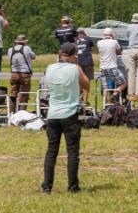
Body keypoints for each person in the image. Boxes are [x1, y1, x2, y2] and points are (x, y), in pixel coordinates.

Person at [41, 42, 90, 195]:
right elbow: (86, 84)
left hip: (53, 114)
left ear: (60, 53)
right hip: (69, 113)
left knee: (51, 151)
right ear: (74, 55)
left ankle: (47, 187)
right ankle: (72, 187)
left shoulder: (50, 68)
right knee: (72, 152)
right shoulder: (75, 68)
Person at [8, 35, 36, 113]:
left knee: (13, 95)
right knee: (24, 95)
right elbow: (34, 57)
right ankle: (22, 113)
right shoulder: (27, 48)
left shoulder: (10, 49)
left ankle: (12, 113)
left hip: (14, 73)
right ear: (24, 42)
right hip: (25, 74)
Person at [97, 28, 127, 101]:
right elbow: (119, 52)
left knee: (105, 87)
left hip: (102, 68)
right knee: (124, 83)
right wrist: (114, 38)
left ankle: (105, 104)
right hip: (112, 67)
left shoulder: (99, 42)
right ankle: (114, 94)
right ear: (111, 34)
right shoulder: (114, 42)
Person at [76, 28, 94, 102]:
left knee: (79, 81)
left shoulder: (75, 40)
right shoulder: (88, 38)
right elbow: (91, 45)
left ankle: (79, 98)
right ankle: (85, 101)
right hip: (88, 62)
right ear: (83, 32)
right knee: (87, 82)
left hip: (79, 63)